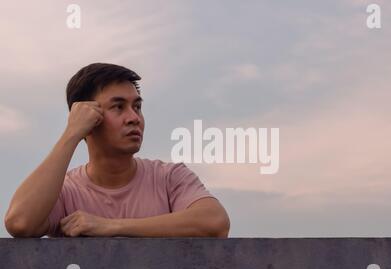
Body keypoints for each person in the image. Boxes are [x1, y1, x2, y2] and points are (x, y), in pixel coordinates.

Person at [4, 63, 230, 238]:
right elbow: (20, 223)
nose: (134, 118)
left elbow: (215, 223)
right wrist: (71, 133)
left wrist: (110, 226)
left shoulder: (169, 177)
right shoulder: (65, 192)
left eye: (137, 107)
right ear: (88, 119)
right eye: (118, 107)